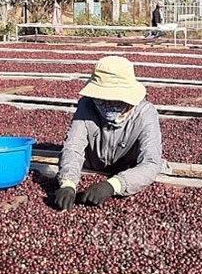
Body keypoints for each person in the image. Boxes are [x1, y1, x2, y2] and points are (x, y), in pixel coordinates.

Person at [53, 56, 163, 211]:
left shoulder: (145, 113)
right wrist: (68, 183)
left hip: (129, 170)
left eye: (115, 100)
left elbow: (151, 163)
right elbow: (73, 147)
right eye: (101, 99)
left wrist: (114, 185)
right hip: (92, 164)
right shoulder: (87, 106)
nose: (107, 105)